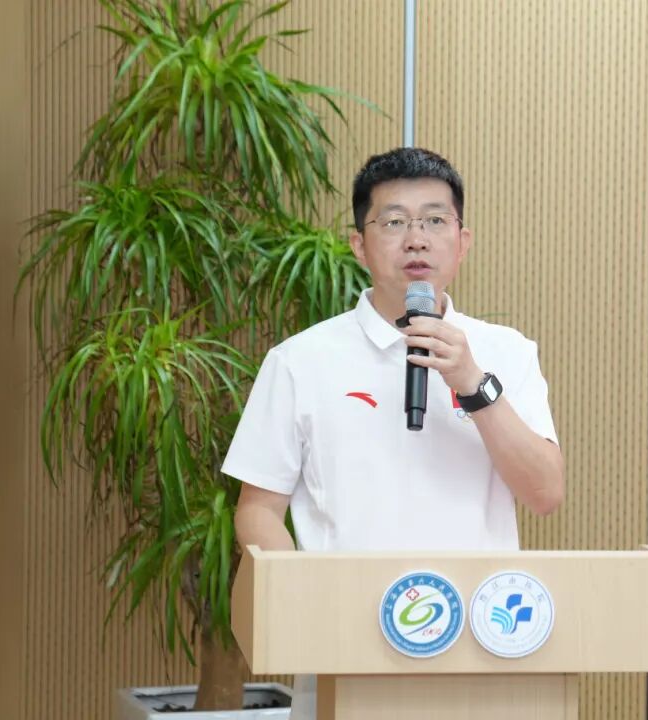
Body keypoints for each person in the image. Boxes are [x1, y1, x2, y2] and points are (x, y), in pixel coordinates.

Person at [222, 147, 564, 719]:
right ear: (359, 244)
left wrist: (473, 383)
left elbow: (545, 493)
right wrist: (306, 600)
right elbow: (257, 509)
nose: (417, 240)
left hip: (482, 646)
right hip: (346, 646)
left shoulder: (508, 352)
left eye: (435, 220)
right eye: (394, 222)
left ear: (463, 241)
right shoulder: (301, 360)